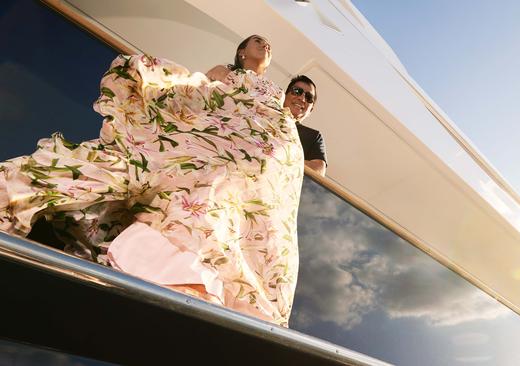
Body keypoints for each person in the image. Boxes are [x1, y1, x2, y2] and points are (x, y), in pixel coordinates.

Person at [0, 35, 303, 327]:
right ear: (241, 52)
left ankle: (216, 286)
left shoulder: (277, 93)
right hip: (222, 142)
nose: (265, 45)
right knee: (198, 193)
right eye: (257, 41)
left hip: (252, 157)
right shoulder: (228, 73)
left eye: (267, 44)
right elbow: (201, 91)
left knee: (246, 218)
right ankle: (180, 271)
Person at [283, 75, 327, 177]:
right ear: (284, 95)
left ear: (311, 110)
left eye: (309, 98)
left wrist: (279, 156)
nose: (302, 98)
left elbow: (318, 169)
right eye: (297, 91)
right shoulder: (265, 114)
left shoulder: (313, 136)